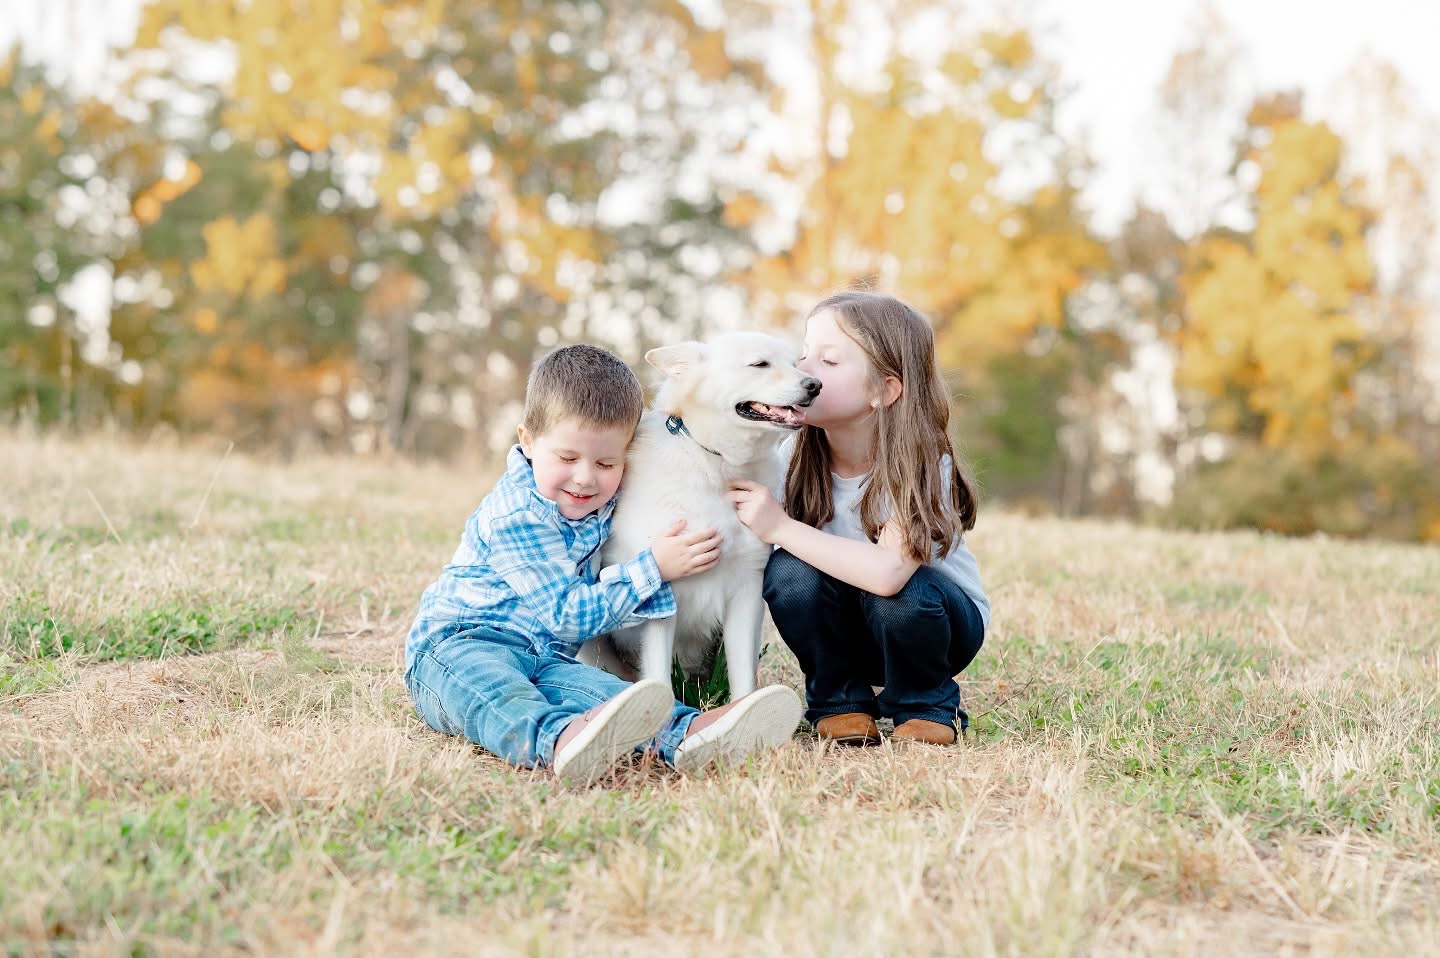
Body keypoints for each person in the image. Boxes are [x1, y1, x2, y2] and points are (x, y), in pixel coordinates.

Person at [406, 344, 803, 784]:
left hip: (546, 657)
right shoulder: (515, 516)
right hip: (461, 647)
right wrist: (653, 567)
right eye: (568, 458)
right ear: (528, 441)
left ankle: (690, 733)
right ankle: (559, 739)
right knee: (496, 694)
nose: (585, 478)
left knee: (615, 697)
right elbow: (566, 615)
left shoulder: (595, 503)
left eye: (606, 462)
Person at [727, 292, 989, 746]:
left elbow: (888, 575)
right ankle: (839, 701)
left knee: (902, 591)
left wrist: (780, 527)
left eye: (828, 361)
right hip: (845, 627)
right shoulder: (790, 456)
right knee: (789, 572)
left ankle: (924, 705)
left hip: (935, 627)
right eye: (804, 354)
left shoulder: (923, 463)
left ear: (884, 391)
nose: (804, 369)